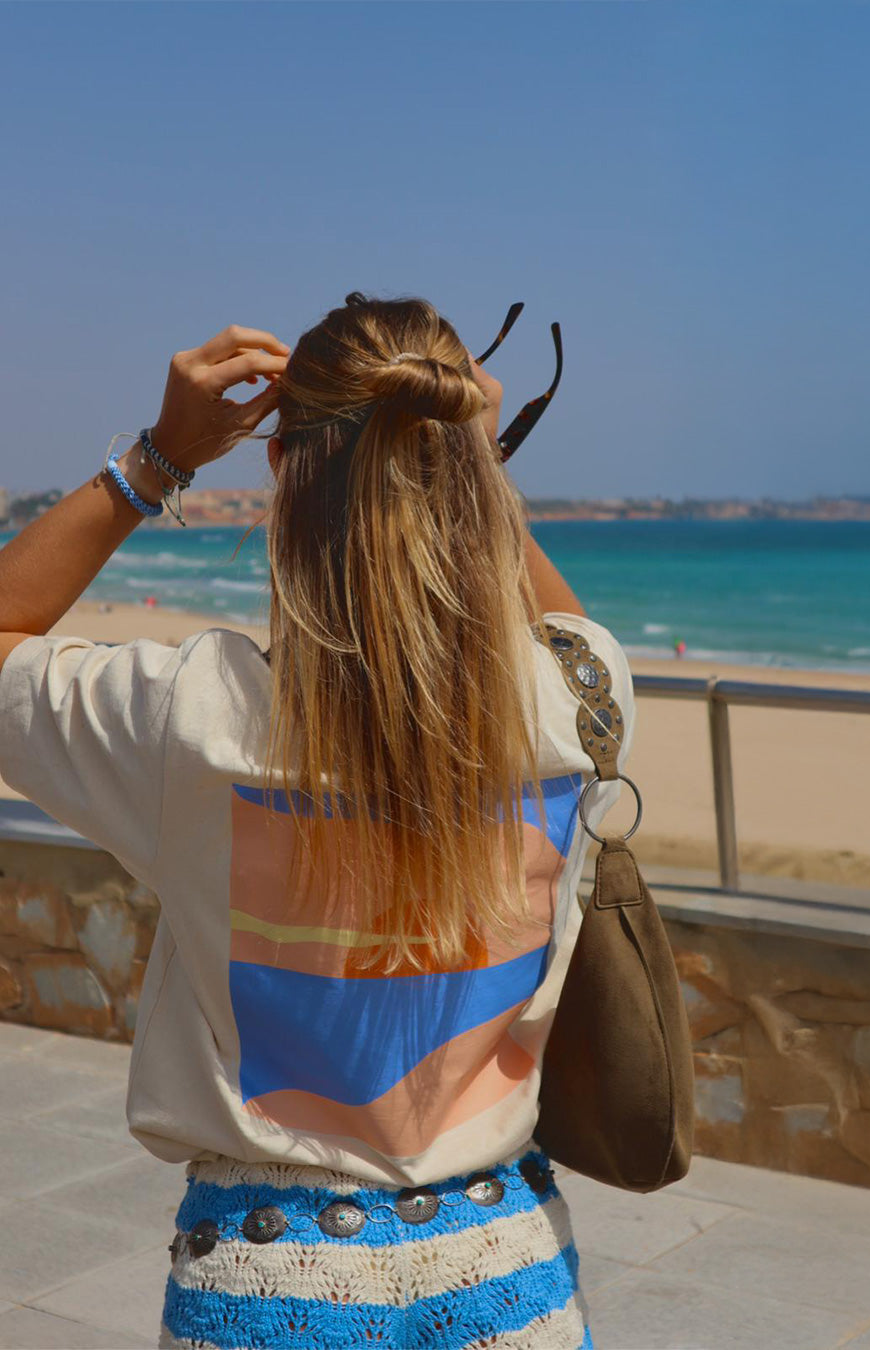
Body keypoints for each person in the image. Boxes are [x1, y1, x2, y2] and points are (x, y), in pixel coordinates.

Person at [0, 295, 635, 1349]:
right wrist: (465, 458)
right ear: (472, 463)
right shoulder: (581, 696)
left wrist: (159, 459)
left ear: (282, 472)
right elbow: (560, 626)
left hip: (269, 1277)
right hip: (509, 1275)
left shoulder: (193, 720)